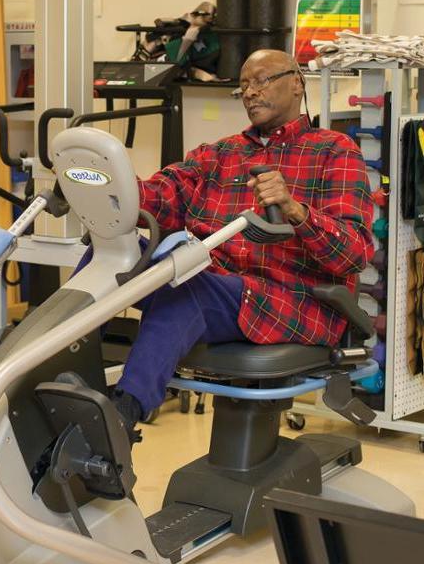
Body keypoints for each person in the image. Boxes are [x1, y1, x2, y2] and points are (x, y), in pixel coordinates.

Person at [113, 48, 375, 433]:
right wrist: (109, 188)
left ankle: (120, 418)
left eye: (262, 80)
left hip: (292, 299)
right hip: (218, 291)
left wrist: (295, 209)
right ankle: (52, 380)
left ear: (297, 83)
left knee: (188, 289)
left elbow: (353, 253)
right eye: (243, 86)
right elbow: (160, 196)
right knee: (114, 255)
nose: (250, 92)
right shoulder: (218, 153)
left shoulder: (334, 150)